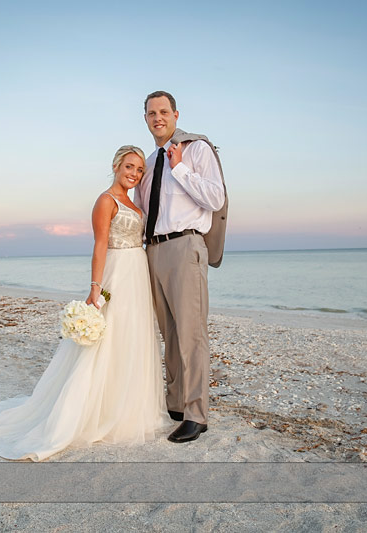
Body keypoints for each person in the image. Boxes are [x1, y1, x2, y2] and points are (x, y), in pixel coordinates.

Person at [0, 145, 171, 460]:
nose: (134, 173)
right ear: (116, 166)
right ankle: (93, 410)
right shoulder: (105, 201)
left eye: (139, 169)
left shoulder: (135, 201)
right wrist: (95, 287)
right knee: (107, 340)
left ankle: (130, 407)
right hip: (117, 274)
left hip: (138, 274)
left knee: (133, 338)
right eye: (129, 167)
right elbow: (100, 243)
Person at [134, 90, 228, 443]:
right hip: (153, 250)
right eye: (151, 113)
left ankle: (196, 413)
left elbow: (215, 198)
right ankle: (175, 403)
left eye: (163, 111)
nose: (158, 117)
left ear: (175, 114)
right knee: (169, 333)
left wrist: (180, 168)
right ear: (145, 119)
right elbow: (145, 210)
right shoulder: (148, 160)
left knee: (191, 334)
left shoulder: (196, 149)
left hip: (186, 244)